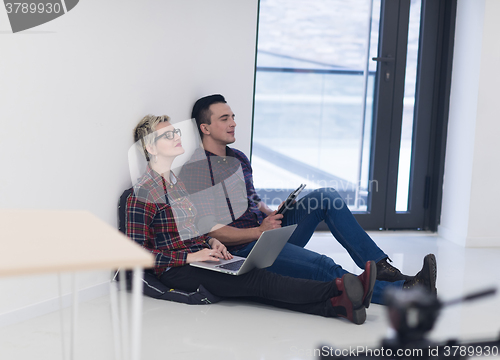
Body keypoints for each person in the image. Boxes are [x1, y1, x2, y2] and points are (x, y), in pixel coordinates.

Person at [179, 94, 437, 305]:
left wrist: (269, 212)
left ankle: (379, 266)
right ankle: (405, 292)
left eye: (233, 116)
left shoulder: (238, 157)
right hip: (244, 249)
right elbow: (210, 230)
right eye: (224, 118)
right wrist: (259, 231)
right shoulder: (197, 170)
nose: (233, 122)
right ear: (205, 127)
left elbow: (250, 197)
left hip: (265, 232)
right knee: (322, 266)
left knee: (327, 196)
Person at [125, 114, 377, 325]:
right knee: (258, 279)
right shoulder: (141, 195)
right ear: (150, 147)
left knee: (256, 289)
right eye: (167, 135)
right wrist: (190, 257)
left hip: (202, 257)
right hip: (177, 270)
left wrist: (212, 242)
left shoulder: (175, 185)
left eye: (175, 131)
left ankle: (337, 306)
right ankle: (340, 288)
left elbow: (193, 229)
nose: (176, 136)